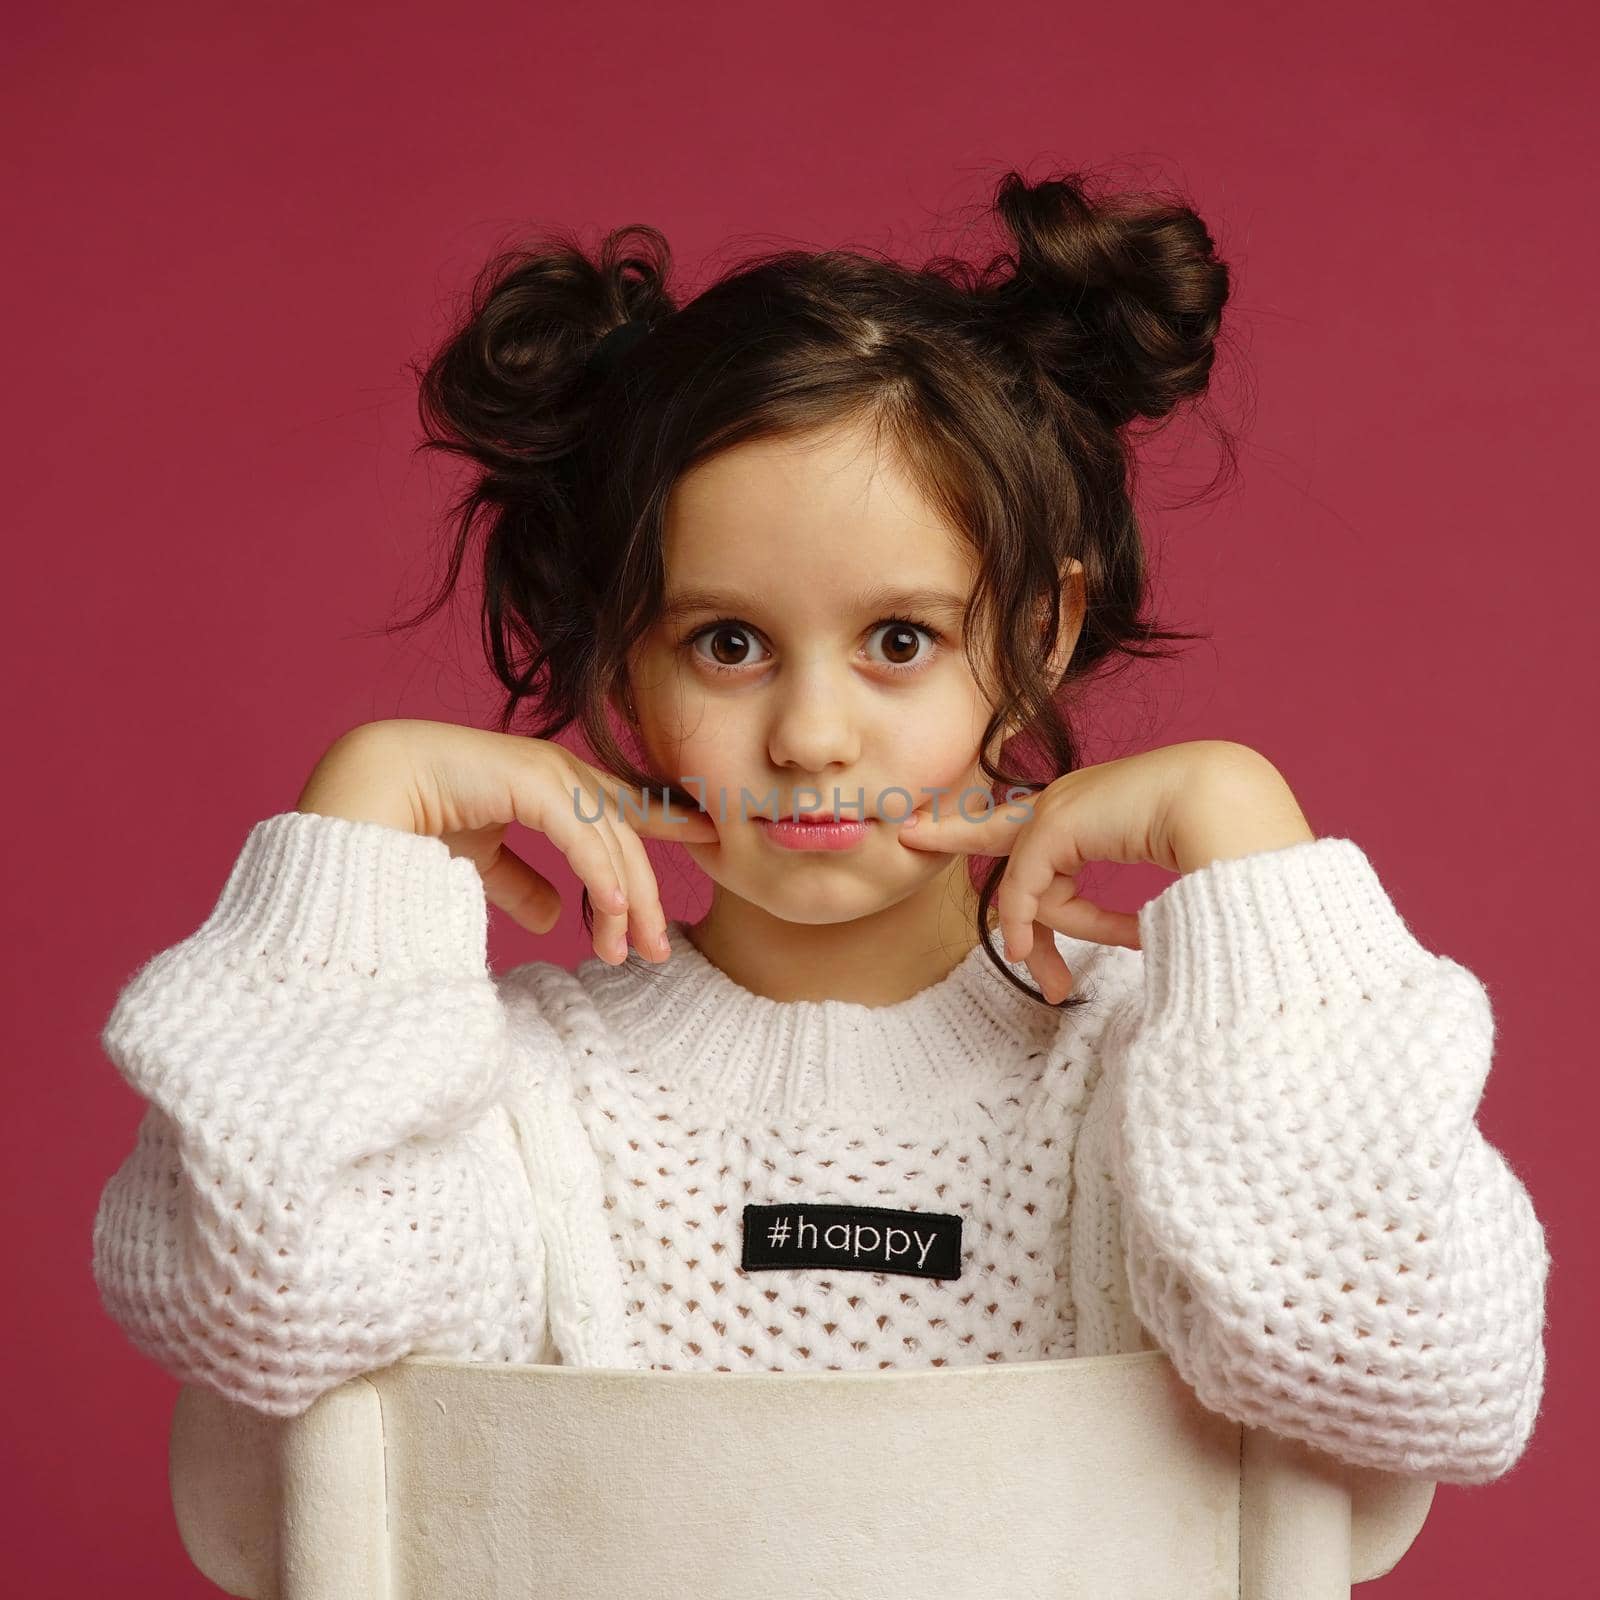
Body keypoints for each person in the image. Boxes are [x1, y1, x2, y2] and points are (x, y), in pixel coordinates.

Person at [90, 168, 1549, 1486]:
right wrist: (357, 832)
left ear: (1036, 635)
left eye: (900, 642)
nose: (809, 734)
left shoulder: (1171, 1076)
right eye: (727, 644)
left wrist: (1259, 865)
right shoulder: (507, 1105)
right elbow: (255, 1307)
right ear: (619, 670)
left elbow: (1427, 1381)